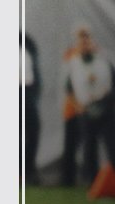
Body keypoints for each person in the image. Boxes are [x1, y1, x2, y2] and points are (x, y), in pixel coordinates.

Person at [66, 26, 115, 185]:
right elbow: (69, 89)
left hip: (106, 106)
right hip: (85, 108)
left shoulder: (103, 60)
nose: (85, 44)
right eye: (82, 41)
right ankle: (92, 182)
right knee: (89, 146)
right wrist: (77, 106)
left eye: (87, 40)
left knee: (111, 144)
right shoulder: (73, 64)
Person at [60, 41, 84, 187]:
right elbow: (68, 86)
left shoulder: (95, 57)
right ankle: (68, 178)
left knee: (88, 145)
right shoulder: (72, 58)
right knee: (71, 145)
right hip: (72, 109)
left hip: (89, 108)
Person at [23, 38, 41, 186]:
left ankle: (29, 170)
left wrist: (33, 94)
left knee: (33, 132)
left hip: (27, 93)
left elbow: (35, 76)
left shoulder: (26, 53)